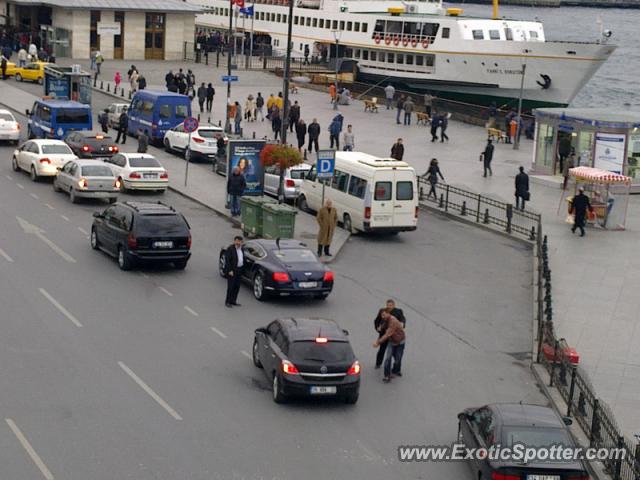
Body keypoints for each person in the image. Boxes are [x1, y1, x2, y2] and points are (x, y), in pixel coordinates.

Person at [372, 310, 406, 383]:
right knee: (388, 359)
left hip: (400, 342)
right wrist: (381, 327)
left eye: (384, 315)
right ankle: (387, 376)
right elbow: (384, 325)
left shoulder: (393, 321)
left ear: (388, 314)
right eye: (382, 315)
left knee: (398, 358)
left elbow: (387, 334)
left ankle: (396, 370)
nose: (383, 316)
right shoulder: (386, 319)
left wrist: (378, 342)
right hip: (392, 342)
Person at [374, 299, 407, 369]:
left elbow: (402, 318)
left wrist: (402, 324)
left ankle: (396, 368)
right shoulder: (383, 311)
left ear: (394, 305)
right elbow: (376, 320)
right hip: (383, 334)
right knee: (382, 350)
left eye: (391, 305)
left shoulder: (398, 311)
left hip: (393, 336)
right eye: (388, 305)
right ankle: (378, 363)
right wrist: (377, 328)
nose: (389, 307)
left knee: (396, 354)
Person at [223, 236, 245, 308]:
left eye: (240, 241)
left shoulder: (242, 249)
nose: (238, 243)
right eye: (237, 241)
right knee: (231, 287)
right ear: (234, 241)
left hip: (239, 270)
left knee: (237, 286)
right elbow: (228, 260)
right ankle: (228, 301)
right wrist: (229, 270)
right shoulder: (230, 249)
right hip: (232, 270)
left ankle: (233, 301)